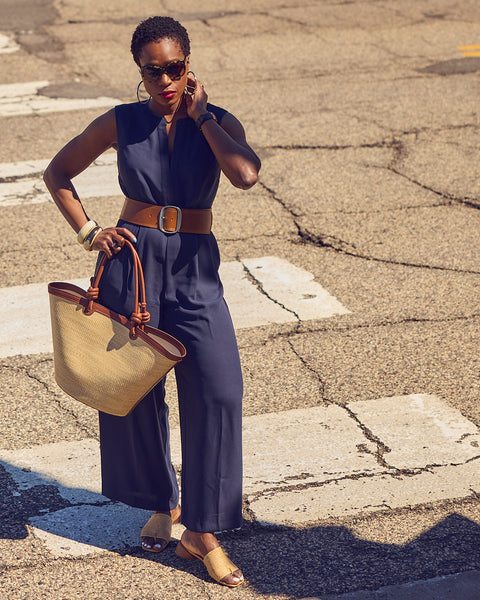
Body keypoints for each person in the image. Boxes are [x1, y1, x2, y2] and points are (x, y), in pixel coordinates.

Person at [43, 15, 261, 587]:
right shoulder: (122, 121)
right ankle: (164, 503)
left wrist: (204, 116)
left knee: (219, 390)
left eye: (173, 68)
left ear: (189, 64)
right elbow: (58, 172)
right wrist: (91, 232)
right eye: (152, 70)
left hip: (194, 270)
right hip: (131, 266)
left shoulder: (216, 121)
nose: (164, 79)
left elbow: (245, 175)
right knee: (135, 391)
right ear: (139, 71)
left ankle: (202, 528)